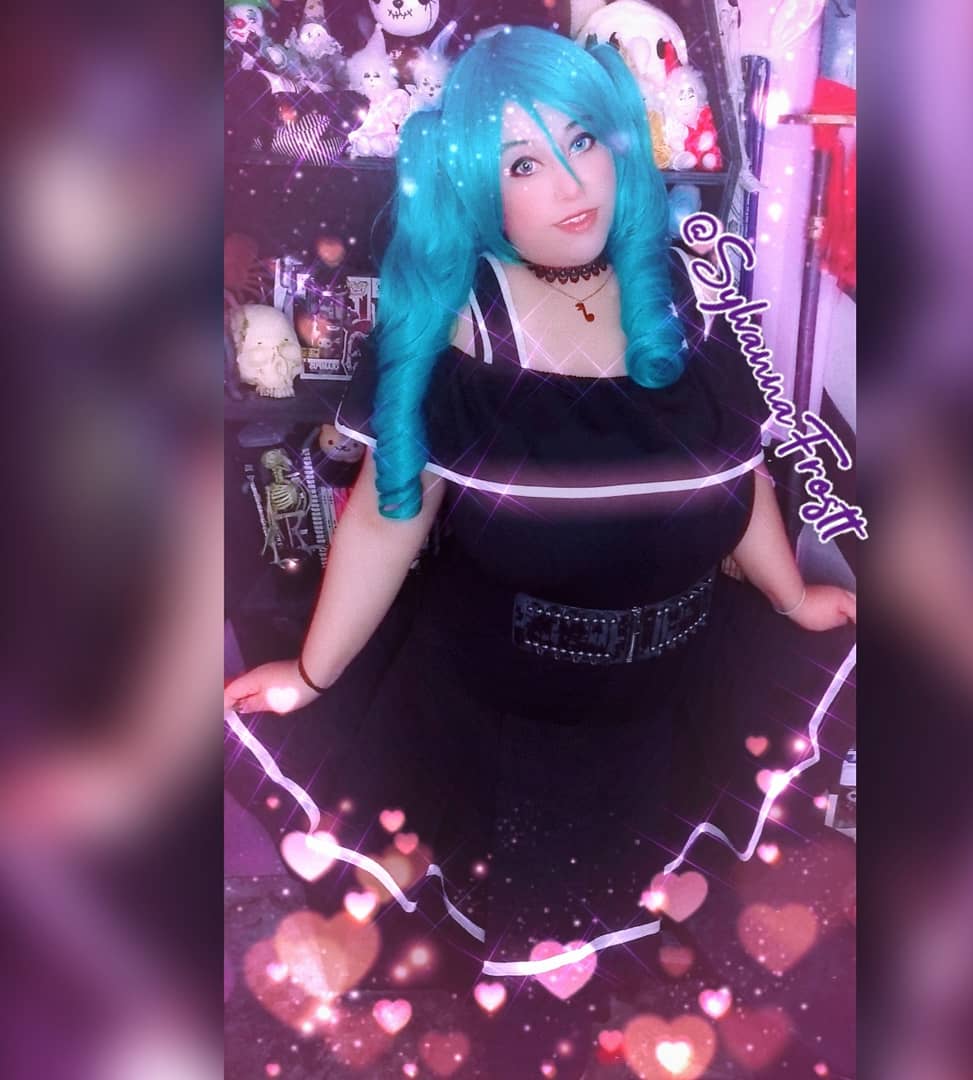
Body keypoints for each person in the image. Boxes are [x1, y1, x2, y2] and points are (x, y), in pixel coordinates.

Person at [224, 22, 854, 1001]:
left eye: (584, 141)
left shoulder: (684, 296)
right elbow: (388, 517)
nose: (571, 184)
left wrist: (791, 598)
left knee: (642, 898)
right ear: (478, 186)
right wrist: (313, 673)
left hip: (668, 693)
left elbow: (741, 477)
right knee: (519, 929)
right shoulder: (458, 327)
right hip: (508, 715)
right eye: (525, 162)